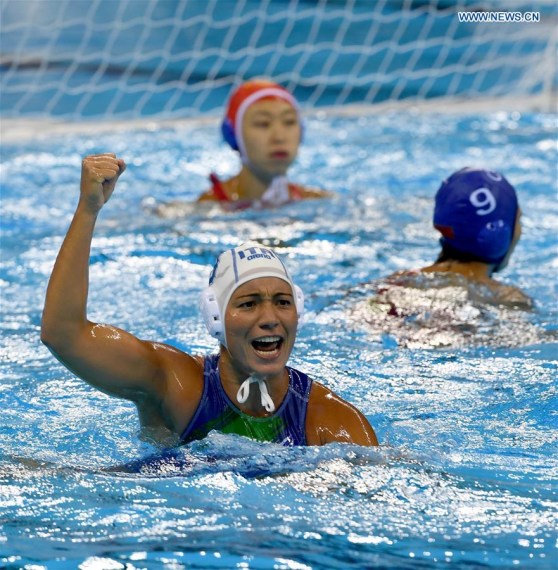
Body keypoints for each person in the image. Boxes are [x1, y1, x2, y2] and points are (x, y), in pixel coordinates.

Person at [41, 153, 377, 447]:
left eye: (282, 302)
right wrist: (88, 210)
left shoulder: (333, 423)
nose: (270, 317)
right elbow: (64, 334)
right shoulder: (175, 385)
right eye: (248, 303)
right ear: (216, 316)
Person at [156, 79, 330, 215]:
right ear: (233, 135)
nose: (279, 137)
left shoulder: (318, 201)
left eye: (289, 122)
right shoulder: (207, 208)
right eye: (263, 124)